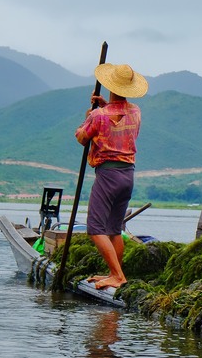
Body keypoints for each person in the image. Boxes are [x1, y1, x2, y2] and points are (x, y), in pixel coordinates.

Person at [75, 63, 148, 290]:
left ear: (110, 86)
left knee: (95, 228)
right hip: (128, 175)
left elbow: (81, 137)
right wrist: (105, 108)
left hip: (108, 174)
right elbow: (119, 116)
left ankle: (117, 275)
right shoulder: (135, 111)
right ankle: (115, 273)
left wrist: (89, 116)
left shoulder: (98, 116)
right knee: (114, 228)